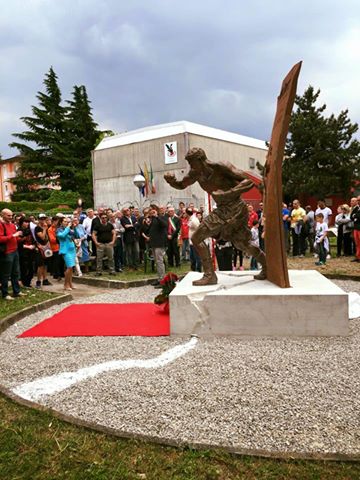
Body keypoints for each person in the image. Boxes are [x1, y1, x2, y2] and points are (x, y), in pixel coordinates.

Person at [164, 148, 266, 286]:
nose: (190, 166)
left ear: (200, 159)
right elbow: (182, 185)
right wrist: (172, 181)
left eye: (192, 162)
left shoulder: (221, 167)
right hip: (223, 209)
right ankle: (267, 265)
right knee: (241, 243)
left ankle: (210, 275)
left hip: (236, 207)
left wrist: (228, 193)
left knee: (198, 237)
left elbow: (248, 181)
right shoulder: (195, 174)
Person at [0, 208, 26, 300]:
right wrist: (13, 236)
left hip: (15, 251)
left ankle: (16, 291)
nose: (11, 217)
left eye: (11, 215)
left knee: (15, 273)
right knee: (6, 274)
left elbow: (14, 238)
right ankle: (5, 293)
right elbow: (1, 239)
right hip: (7, 252)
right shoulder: (1, 225)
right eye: (8, 215)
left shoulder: (12, 225)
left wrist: (20, 238)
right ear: (2, 215)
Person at [148, 204, 168, 285]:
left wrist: (156, 216)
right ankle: (159, 278)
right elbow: (150, 230)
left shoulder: (162, 217)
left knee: (160, 261)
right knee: (156, 261)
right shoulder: (152, 219)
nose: (150, 211)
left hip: (159, 243)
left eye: (151, 210)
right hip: (153, 243)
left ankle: (162, 279)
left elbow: (164, 225)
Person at [56, 217, 76, 290]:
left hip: (72, 249)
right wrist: (68, 228)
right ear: (61, 222)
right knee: (69, 267)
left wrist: (73, 227)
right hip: (65, 251)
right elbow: (62, 236)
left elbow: (73, 236)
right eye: (65, 221)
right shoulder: (59, 230)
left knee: (71, 268)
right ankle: (65, 284)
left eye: (67, 221)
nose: (67, 222)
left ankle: (70, 283)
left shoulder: (69, 229)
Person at [34, 214, 52, 288]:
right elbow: (42, 237)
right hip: (40, 249)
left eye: (44, 218)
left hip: (46, 248)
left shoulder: (45, 227)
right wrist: (44, 229)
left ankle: (45, 279)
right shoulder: (37, 228)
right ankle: (38, 281)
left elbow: (47, 238)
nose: (43, 220)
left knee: (45, 265)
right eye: (41, 219)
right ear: (39, 219)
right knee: (40, 265)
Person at [17, 217, 36, 288]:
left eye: (28, 222)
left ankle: (28, 282)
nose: (27, 223)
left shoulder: (29, 230)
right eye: (25, 222)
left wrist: (34, 245)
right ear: (21, 222)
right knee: (24, 268)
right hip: (23, 252)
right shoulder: (19, 231)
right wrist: (27, 246)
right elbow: (18, 242)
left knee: (31, 268)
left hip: (31, 252)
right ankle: (23, 282)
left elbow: (33, 239)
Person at [350, 195, 360, 262]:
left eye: (359, 200)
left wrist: (355, 216)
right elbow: (351, 217)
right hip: (356, 227)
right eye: (358, 200)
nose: (359, 201)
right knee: (357, 243)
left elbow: (358, 216)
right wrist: (355, 216)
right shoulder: (356, 208)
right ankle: (358, 256)